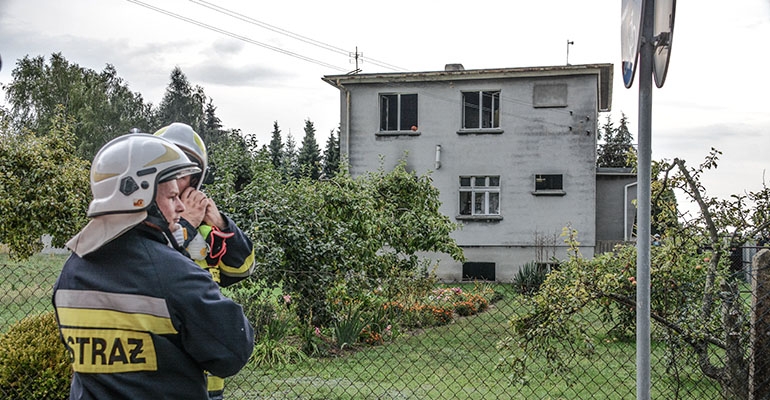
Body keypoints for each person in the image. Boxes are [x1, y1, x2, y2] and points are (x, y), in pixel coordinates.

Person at [53, 133, 254, 400]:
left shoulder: (71, 273)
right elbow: (233, 351)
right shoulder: (174, 274)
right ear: (139, 195)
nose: (180, 205)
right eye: (171, 197)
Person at [154, 122, 256, 399]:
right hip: (163, 376)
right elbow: (152, 262)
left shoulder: (205, 226)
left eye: (184, 173)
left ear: (196, 180)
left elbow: (242, 269)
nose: (176, 182)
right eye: (169, 172)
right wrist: (185, 224)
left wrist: (221, 222)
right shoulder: (142, 222)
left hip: (208, 381)